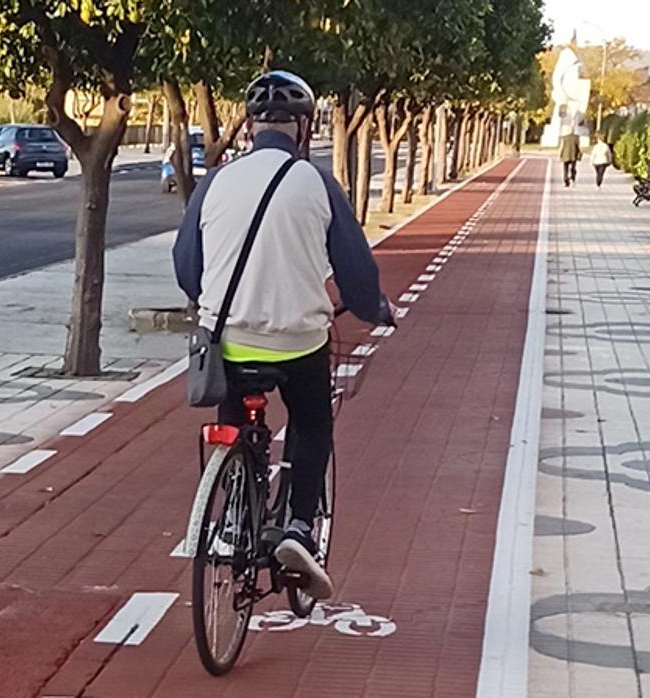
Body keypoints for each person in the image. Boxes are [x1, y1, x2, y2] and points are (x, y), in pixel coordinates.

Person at [173, 71, 395, 601]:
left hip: (224, 343)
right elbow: (358, 276)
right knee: (312, 422)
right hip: (298, 344)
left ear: (249, 126)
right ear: (303, 127)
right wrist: (374, 309)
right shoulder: (315, 183)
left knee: (234, 416)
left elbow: (186, 267)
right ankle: (297, 526)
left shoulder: (216, 181)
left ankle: (229, 519)